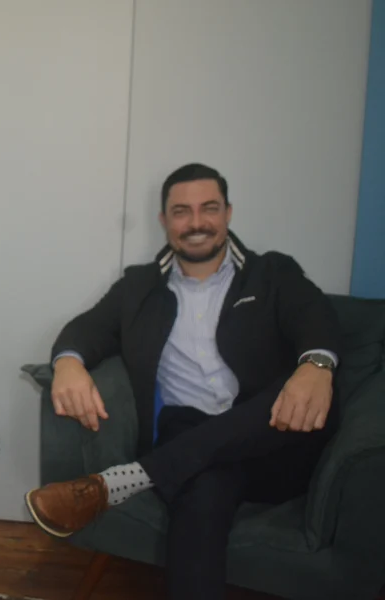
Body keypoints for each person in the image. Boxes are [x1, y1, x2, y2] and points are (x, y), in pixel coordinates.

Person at [25, 163, 341, 600]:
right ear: (164, 220)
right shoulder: (139, 286)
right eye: (181, 211)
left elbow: (317, 318)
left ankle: (120, 482)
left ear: (228, 213)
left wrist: (317, 366)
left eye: (208, 208)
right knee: (202, 496)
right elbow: (87, 329)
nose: (196, 223)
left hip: (273, 435)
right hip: (193, 445)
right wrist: (67, 364)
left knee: (285, 390)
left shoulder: (272, 273)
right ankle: (143, 476)